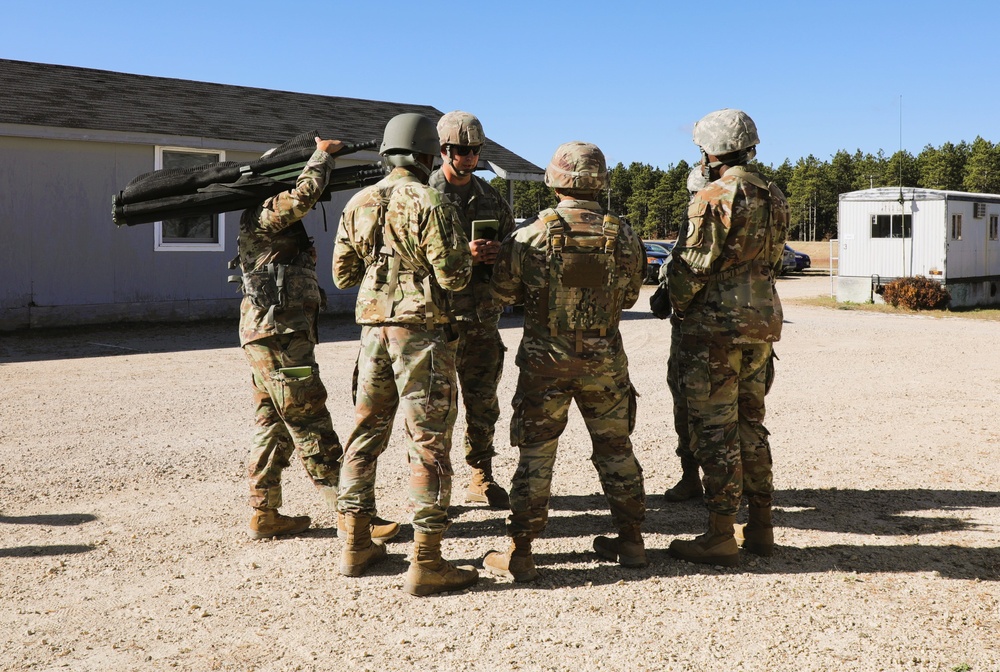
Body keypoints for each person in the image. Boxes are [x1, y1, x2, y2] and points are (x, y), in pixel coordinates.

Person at [482, 141, 647, 581]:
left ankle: (521, 552)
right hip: (605, 362)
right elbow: (630, 296)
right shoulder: (623, 234)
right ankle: (632, 541)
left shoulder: (530, 234)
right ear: (600, 180)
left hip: (544, 364)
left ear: (555, 180)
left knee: (535, 456)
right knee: (616, 449)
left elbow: (501, 295)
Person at [334, 112, 478, 596]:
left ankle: (354, 543)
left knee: (364, 433)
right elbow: (454, 277)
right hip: (421, 334)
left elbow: (342, 276)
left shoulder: (358, 201)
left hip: (373, 331)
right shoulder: (430, 200)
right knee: (429, 441)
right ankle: (427, 560)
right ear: (424, 154)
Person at [666, 109, 789, 567]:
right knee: (751, 426)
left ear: (711, 151)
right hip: (760, 324)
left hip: (715, 330)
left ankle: (719, 533)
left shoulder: (716, 195)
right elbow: (772, 261)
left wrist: (674, 301)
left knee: (715, 431)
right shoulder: (774, 194)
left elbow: (693, 267)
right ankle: (760, 527)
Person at [236, 137, 346, 540]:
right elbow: (304, 196)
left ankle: (265, 512)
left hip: (272, 334)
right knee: (308, 415)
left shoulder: (274, 222)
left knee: (272, 423)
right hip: (278, 335)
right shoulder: (265, 212)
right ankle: (351, 512)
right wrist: (321, 156)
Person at [428, 110, 516, 509]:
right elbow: (410, 257)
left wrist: (499, 256)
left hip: (481, 319)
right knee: (436, 411)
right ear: (444, 150)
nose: (468, 157)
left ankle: (481, 474)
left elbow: (515, 251)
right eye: (461, 150)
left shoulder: (490, 197)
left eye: (475, 150)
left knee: (483, 403)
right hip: (436, 321)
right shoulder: (424, 196)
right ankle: (435, 487)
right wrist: (462, 254)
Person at [662, 167, 709, 503]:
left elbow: (683, 269)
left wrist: (670, 292)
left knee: (692, 406)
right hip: (741, 330)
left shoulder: (701, 222)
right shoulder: (758, 211)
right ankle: (694, 479)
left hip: (696, 330)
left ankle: (702, 482)